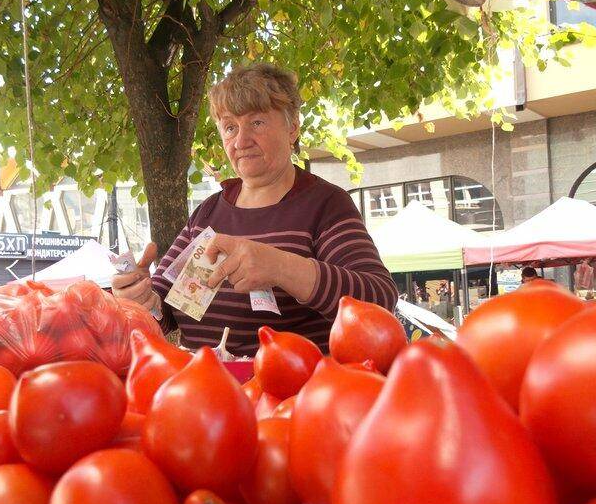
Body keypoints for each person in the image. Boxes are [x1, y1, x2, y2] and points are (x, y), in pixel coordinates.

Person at [111, 63, 399, 355]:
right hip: (203, 390)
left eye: (257, 123)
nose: (241, 141)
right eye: (230, 127)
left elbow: (379, 300)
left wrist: (282, 267)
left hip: (292, 394)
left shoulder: (324, 204)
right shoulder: (208, 213)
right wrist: (142, 298)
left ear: (292, 128)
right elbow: (165, 309)